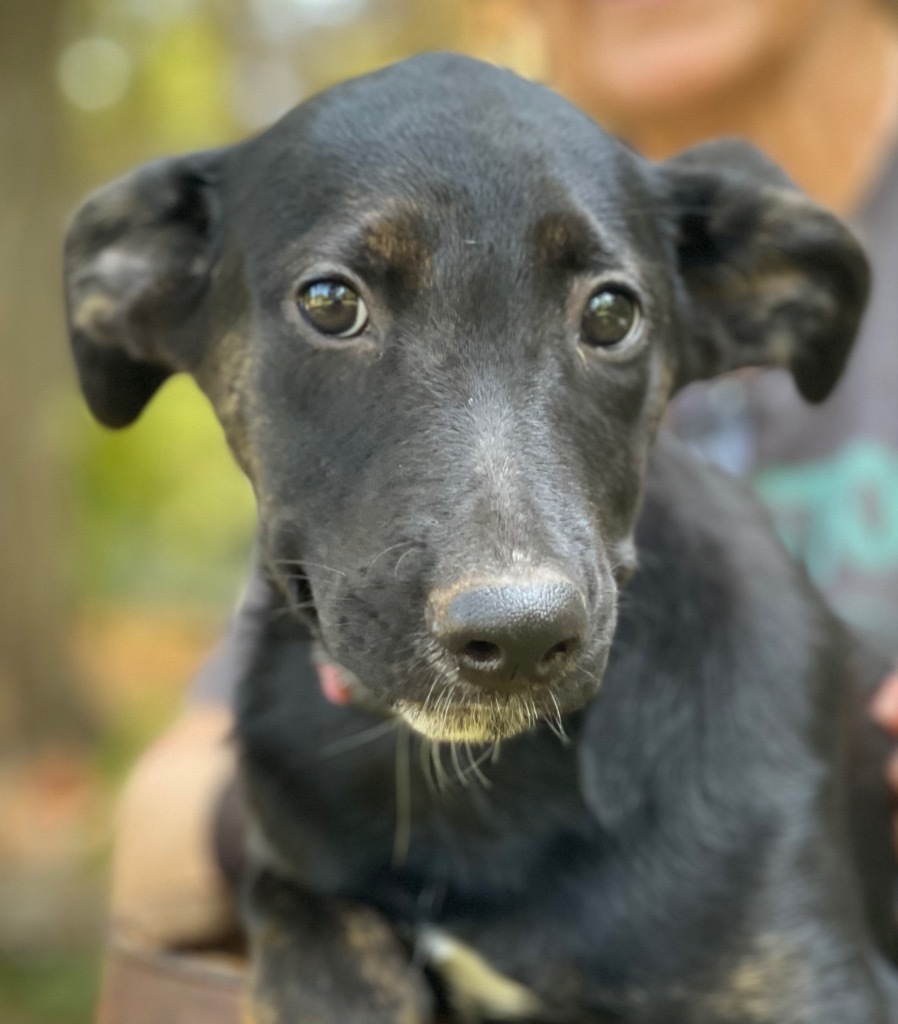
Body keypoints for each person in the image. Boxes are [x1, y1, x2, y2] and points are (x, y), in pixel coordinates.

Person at [109, 0, 898, 952]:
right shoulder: (405, 192)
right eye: (332, 303)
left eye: (609, 319)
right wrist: (317, 832)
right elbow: (153, 852)